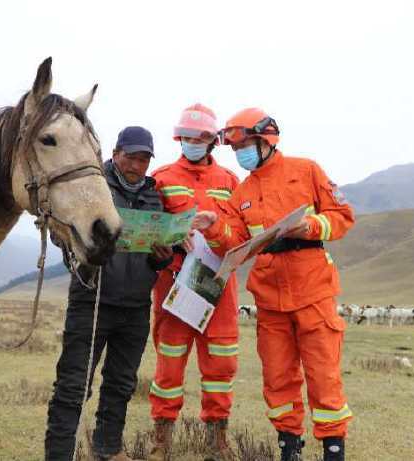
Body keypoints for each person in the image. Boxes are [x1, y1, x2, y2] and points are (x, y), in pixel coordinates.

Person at [191, 108, 355, 461]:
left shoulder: (306, 170)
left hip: (313, 291)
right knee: (278, 379)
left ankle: (333, 450)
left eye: (245, 145)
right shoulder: (242, 193)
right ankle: (288, 450)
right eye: (235, 150)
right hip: (268, 297)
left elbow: (342, 217)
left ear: (266, 140)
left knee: (323, 375)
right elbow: (231, 244)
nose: (240, 155)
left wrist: (310, 227)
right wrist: (212, 226)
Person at [45, 126, 173, 461]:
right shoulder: (92, 184)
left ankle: (107, 450)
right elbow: (61, 232)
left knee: (120, 385)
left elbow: (157, 249)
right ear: (115, 154)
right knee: (73, 386)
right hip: (92, 299)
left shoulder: (153, 194)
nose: (137, 164)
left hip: (135, 306)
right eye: (131, 156)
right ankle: (58, 455)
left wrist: (163, 257)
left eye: (144, 158)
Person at [147, 104, 240, 461]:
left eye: (199, 137)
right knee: (168, 363)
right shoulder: (162, 178)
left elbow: (240, 233)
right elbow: (150, 229)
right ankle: (161, 440)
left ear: (212, 141)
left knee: (222, 366)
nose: (192, 142)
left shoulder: (230, 181)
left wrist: (217, 230)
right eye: (186, 136)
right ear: (178, 138)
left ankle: (218, 442)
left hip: (219, 289)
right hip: (174, 286)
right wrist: (172, 238)